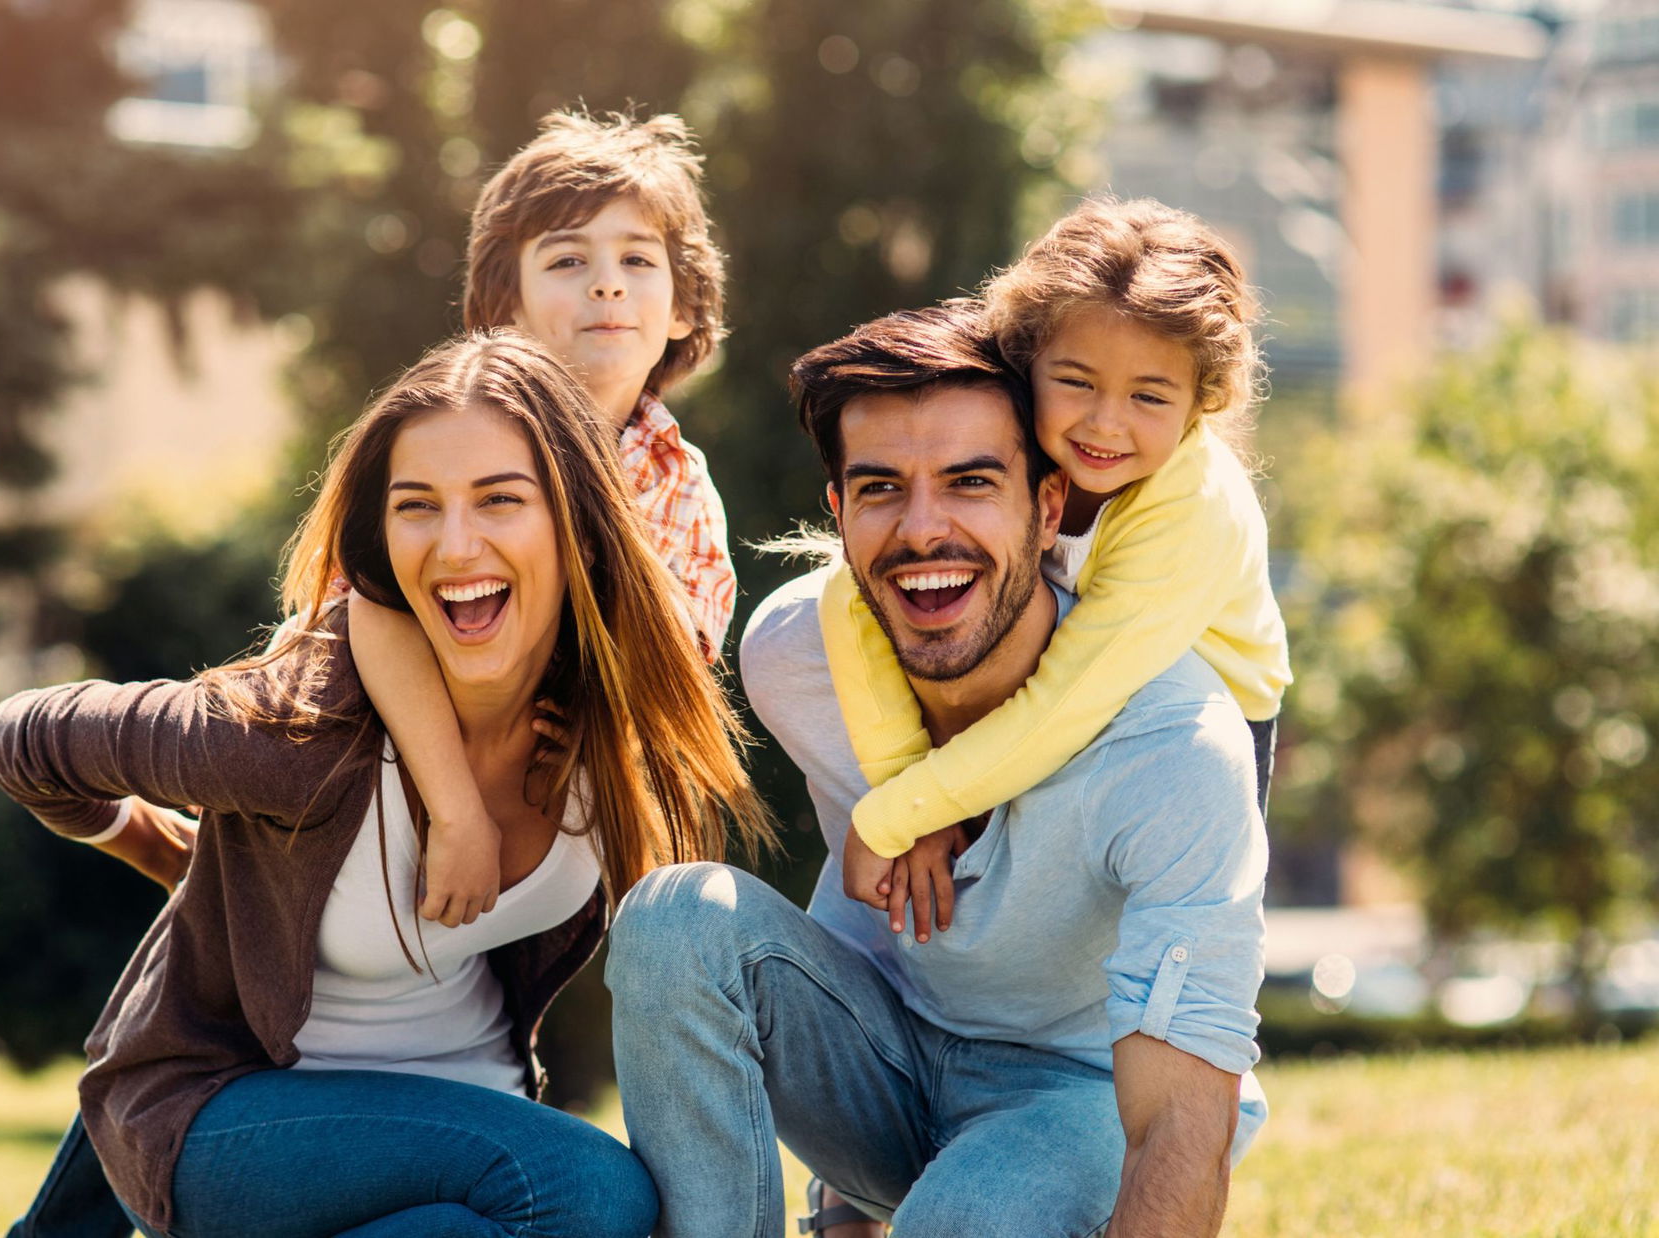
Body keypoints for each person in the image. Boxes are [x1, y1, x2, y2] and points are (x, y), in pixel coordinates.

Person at [0, 331, 772, 1237]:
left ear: (578, 524)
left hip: (455, 1141)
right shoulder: (298, 734)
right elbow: (20, 739)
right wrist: (162, 848)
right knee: (589, 1191)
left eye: (501, 500)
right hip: (234, 1122)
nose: (456, 544)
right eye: (417, 507)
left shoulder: (605, 727)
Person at [606, 302, 1269, 1238]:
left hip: (1082, 1097)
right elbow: (855, 910)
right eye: (880, 488)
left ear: (1046, 509)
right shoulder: (798, 662)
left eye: (968, 482)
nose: (923, 531)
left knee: (969, 1220)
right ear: (837, 514)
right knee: (675, 918)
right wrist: (839, 1207)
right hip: (892, 1064)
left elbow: (1178, 1119)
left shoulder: (1172, 742)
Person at [824, 197, 1291, 945]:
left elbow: (1065, 702)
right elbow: (846, 595)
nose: (1104, 424)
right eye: (1076, 382)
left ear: (1201, 402)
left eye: (1149, 396)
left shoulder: (1194, 511)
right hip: (1049, 681)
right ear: (1026, 358)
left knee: (1124, 938)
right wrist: (907, 787)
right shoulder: (1012, 432)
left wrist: (896, 815)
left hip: (1184, 721)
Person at [353, 109, 739, 933]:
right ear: (508, 307)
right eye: (568, 260)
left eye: (637, 259)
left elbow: (669, 680)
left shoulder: (680, 490)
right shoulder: (449, 439)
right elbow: (365, 608)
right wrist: (457, 811)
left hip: (552, 818)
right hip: (377, 766)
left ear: (681, 307)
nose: (607, 283)